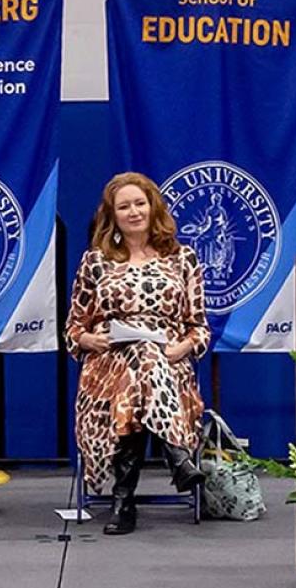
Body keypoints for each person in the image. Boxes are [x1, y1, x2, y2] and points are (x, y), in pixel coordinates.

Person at [67, 172, 211, 535]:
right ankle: (175, 455)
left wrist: (183, 347)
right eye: (124, 206)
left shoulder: (183, 259)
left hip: (169, 363)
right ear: (112, 215)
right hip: (108, 363)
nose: (133, 212)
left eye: (139, 203)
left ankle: (123, 500)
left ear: (153, 207)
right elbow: (73, 328)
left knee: (145, 359)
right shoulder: (96, 262)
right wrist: (90, 341)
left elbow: (200, 329)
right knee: (140, 357)